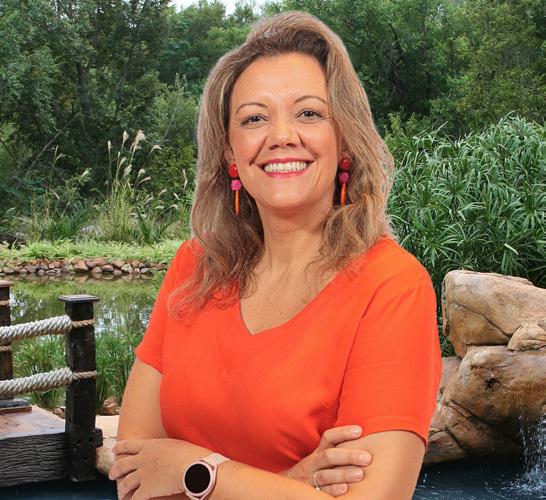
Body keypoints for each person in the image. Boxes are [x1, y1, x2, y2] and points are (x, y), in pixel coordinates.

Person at [108, 10, 442, 500]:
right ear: (230, 152)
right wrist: (291, 483)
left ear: (345, 139)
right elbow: (134, 478)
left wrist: (198, 471)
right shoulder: (194, 268)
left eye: (309, 113)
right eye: (254, 118)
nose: (282, 135)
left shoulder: (392, 287)